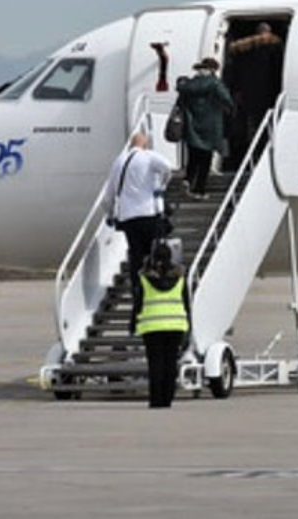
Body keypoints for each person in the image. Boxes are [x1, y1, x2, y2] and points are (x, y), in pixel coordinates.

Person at [103, 133, 174, 331]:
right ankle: (157, 294)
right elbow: (168, 167)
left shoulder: (119, 162)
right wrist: (162, 186)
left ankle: (138, 299)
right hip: (149, 214)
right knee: (155, 257)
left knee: (136, 258)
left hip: (128, 218)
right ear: (145, 144)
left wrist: (110, 214)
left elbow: (108, 195)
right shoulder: (148, 156)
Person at [135, 240, 190, 408]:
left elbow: (138, 304)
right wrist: (189, 324)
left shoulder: (145, 279)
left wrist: (133, 322)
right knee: (170, 363)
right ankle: (168, 398)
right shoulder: (180, 278)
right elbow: (186, 303)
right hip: (175, 325)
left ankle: (156, 400)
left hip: (152, 327)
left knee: (155, 364)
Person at [226, 22, 284, 160]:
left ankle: (252, 155)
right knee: (271, 124)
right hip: (270, 92)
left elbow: (235, 71)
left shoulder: (243, 48)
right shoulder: (276, 46)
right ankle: (267, 154)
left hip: (249, 93)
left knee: (251, 126)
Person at [177, 57, 233, 199]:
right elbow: (226, 98)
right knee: (205, 161)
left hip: (192, 126)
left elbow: (180, 103)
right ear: (213, 69)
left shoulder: (189, 84)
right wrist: (230, 108)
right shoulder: (214, 84)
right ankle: (199, 190)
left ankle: (188, 179)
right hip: (210, 127)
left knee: (193, 157)